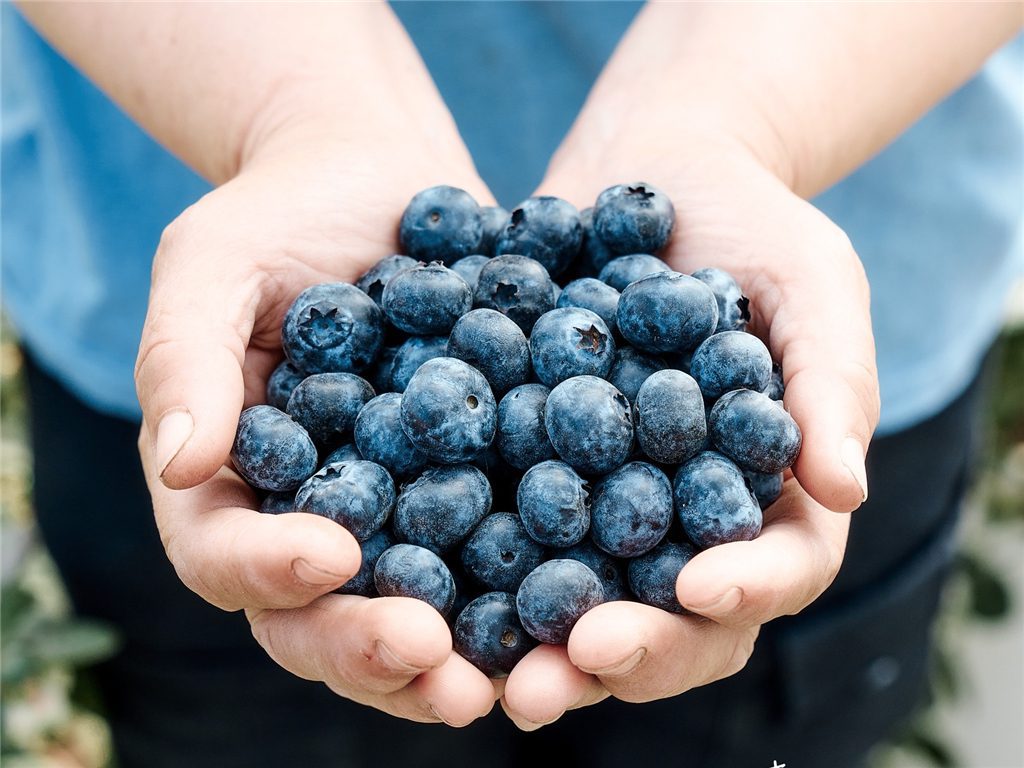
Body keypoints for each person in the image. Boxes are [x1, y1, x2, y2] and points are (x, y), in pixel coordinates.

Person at [2, 2, 1021, 766]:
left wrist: (745, 121)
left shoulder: (691, 394)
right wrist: (287, 111)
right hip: (187, 292)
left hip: (854, 193)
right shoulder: (360, 389)